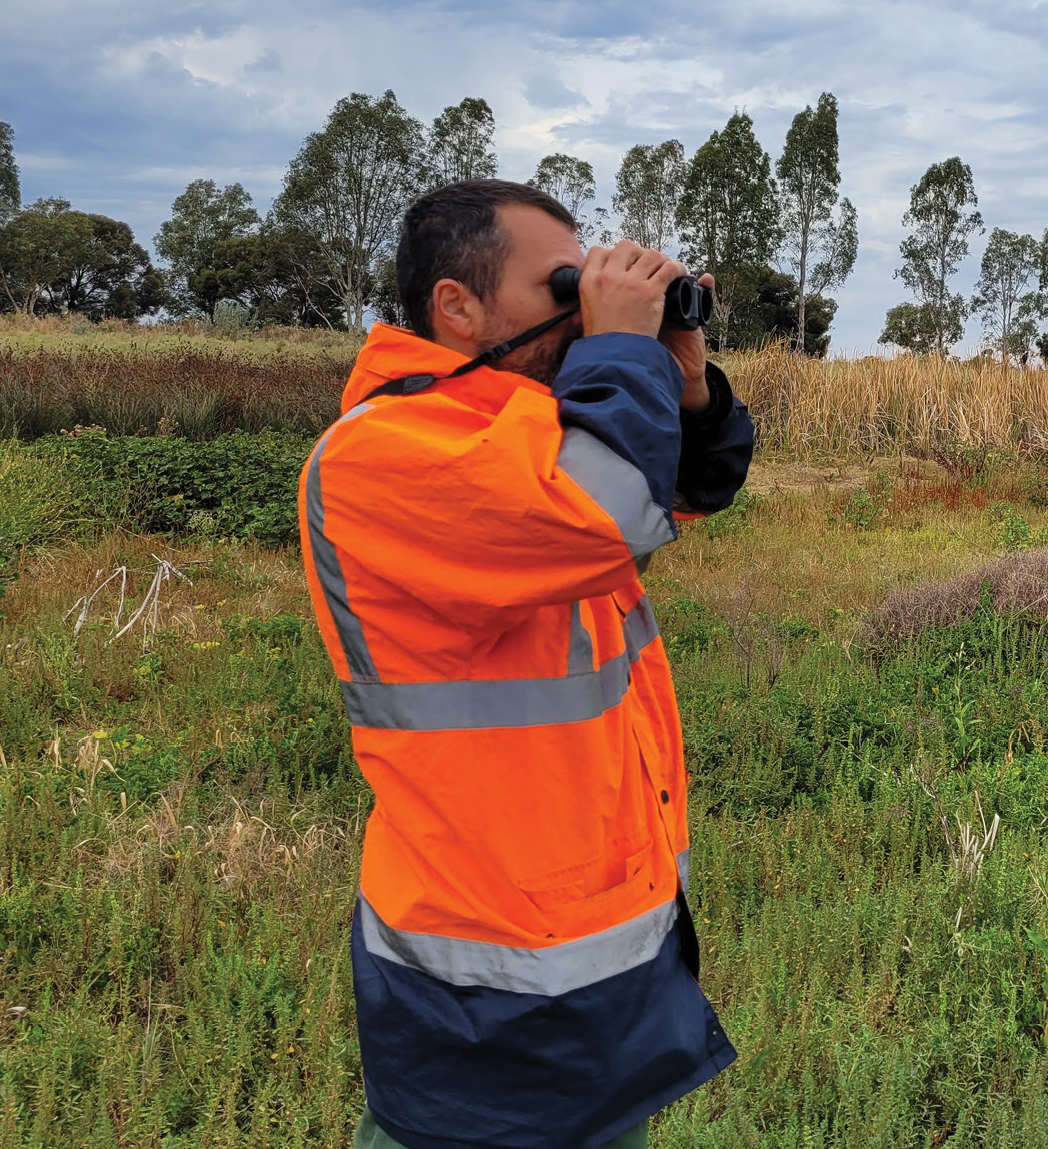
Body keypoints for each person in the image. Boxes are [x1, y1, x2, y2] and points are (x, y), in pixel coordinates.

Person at [297, 179, 753, 1149]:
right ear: (454, 306)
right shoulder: (383, 455)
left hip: (595, 978)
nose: (582, 301)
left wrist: (681, 378)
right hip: (480, 999)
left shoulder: (522, 433)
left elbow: (683, 491)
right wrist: (619, 348)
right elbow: (609, 508)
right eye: (562, 283)